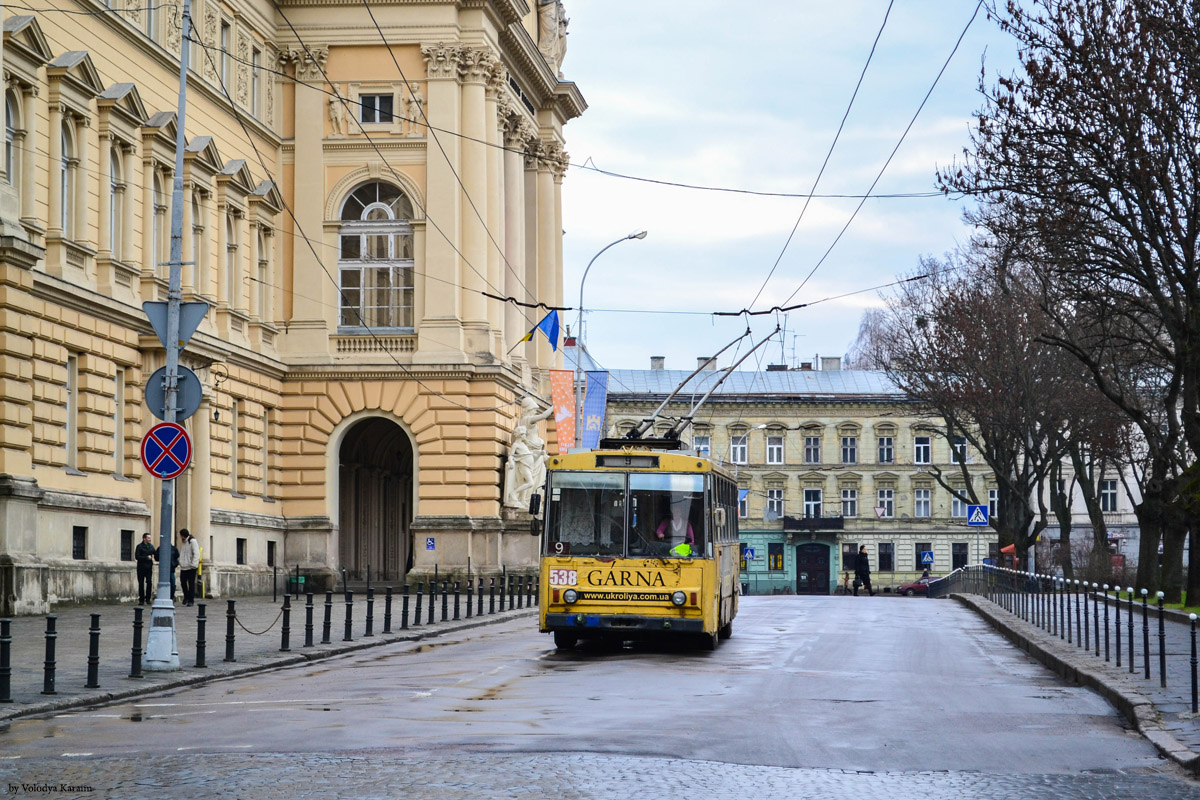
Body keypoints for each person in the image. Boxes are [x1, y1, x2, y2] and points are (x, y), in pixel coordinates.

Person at [153, 536, 181, 603]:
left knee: (173, 584)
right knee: (163, 584)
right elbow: (156, 558)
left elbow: (177, 557)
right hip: (163, 570)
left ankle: (171, 597)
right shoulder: (160, 548)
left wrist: (175, 564)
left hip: (171, 569)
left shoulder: (174, 549)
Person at [179, 529, 200, 607]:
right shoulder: (183, 542)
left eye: (181, 535)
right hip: (184, 566)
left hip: (191, 567)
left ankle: (191, 600)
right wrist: (180, 561)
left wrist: (193, 564)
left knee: (191, 584)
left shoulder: (192, 541)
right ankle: (186, 596)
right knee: (183, 582)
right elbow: (183, 553)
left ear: (183, 535)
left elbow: (196, 553)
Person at [135, 533, 156, 605]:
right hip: (141, 568)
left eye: (150, 538)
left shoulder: (151, 546)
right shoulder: (139, 546)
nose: (150, 539)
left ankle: (148, 599)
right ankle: (141, 599)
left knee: (149, 582)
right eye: (148, 538)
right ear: (144, 539)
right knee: (141, 584)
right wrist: (146, 557)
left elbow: (155, 553)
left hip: (149, 568)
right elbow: (137, 556)